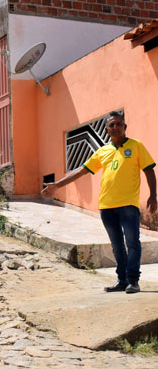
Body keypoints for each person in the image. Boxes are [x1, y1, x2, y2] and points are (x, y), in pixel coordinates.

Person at [41, 111, 157, 294]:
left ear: (125, 127)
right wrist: (57, 185)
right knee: (117, 245)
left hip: (128, 205)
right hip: (106, 206)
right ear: (107, 130)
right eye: (111, 125)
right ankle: (121, 280)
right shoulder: (103, 151)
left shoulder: (136, 146)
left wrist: (153, 195)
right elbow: (82, 170)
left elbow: (149, 170)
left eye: (119, 124)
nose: (115, 127)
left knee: (133, 242)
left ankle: (133, 280)